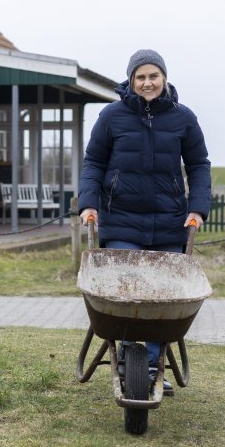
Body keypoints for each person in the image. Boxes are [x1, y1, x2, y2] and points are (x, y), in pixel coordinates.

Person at [78, 49, 212, 394]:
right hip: (121, 219)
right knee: (126, 292)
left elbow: (199, 165)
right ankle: (130, 358)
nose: (148, 82)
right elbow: (93, 162)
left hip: (169, 223)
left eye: (154, 76)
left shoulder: (183, 118)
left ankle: (151, 363)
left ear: (164, 78)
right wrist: (88, 204)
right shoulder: (112, 116)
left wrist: (197, 208)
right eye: (141, 77)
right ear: (131, 81)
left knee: (161, 298)